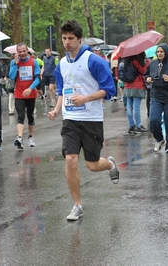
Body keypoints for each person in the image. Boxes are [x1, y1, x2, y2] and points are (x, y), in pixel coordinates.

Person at [48, 19, 119, 221]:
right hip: (70, 119)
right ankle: (77, 205)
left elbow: (110, 90)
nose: (67, 42)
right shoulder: (61, 64)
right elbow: (62, 91)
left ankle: (110, 165)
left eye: (71, 38)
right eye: (64, 38)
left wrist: (86, 98)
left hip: (91, 119)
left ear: (79, 39)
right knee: (70, 159)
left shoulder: (94, 61)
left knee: (92, 165)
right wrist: (55, 109)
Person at [145, 43, 168, 153]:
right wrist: (148, 79)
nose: (159, 53)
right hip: (156, 96)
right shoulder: (153, 64)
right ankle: (159, 139)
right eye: (158, 52)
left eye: (162, 51)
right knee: (153, 120)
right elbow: (146, 75)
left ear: (166, 52)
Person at [8, 42, 40, 149]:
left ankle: (30, 137)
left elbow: (37, 79)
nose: (22, 53)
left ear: (27, 51)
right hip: (19, 93)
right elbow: (11, 77)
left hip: (31, 94)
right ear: (17, 53)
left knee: (30, 115)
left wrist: (30, 88)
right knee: (20, 115)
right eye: (20, 52)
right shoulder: (13, 62)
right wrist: (16, 64)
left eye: (24, 51)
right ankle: (20, 138)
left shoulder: (33, 61)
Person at [123, 52, 150, 134]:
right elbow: (143, 71)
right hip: (137, 85)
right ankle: (138, 125)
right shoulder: (136, 61)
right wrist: (147, 62)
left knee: (129, 107)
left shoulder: (126, 61)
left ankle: (131, 126)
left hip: (127, 85)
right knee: (136, 107)